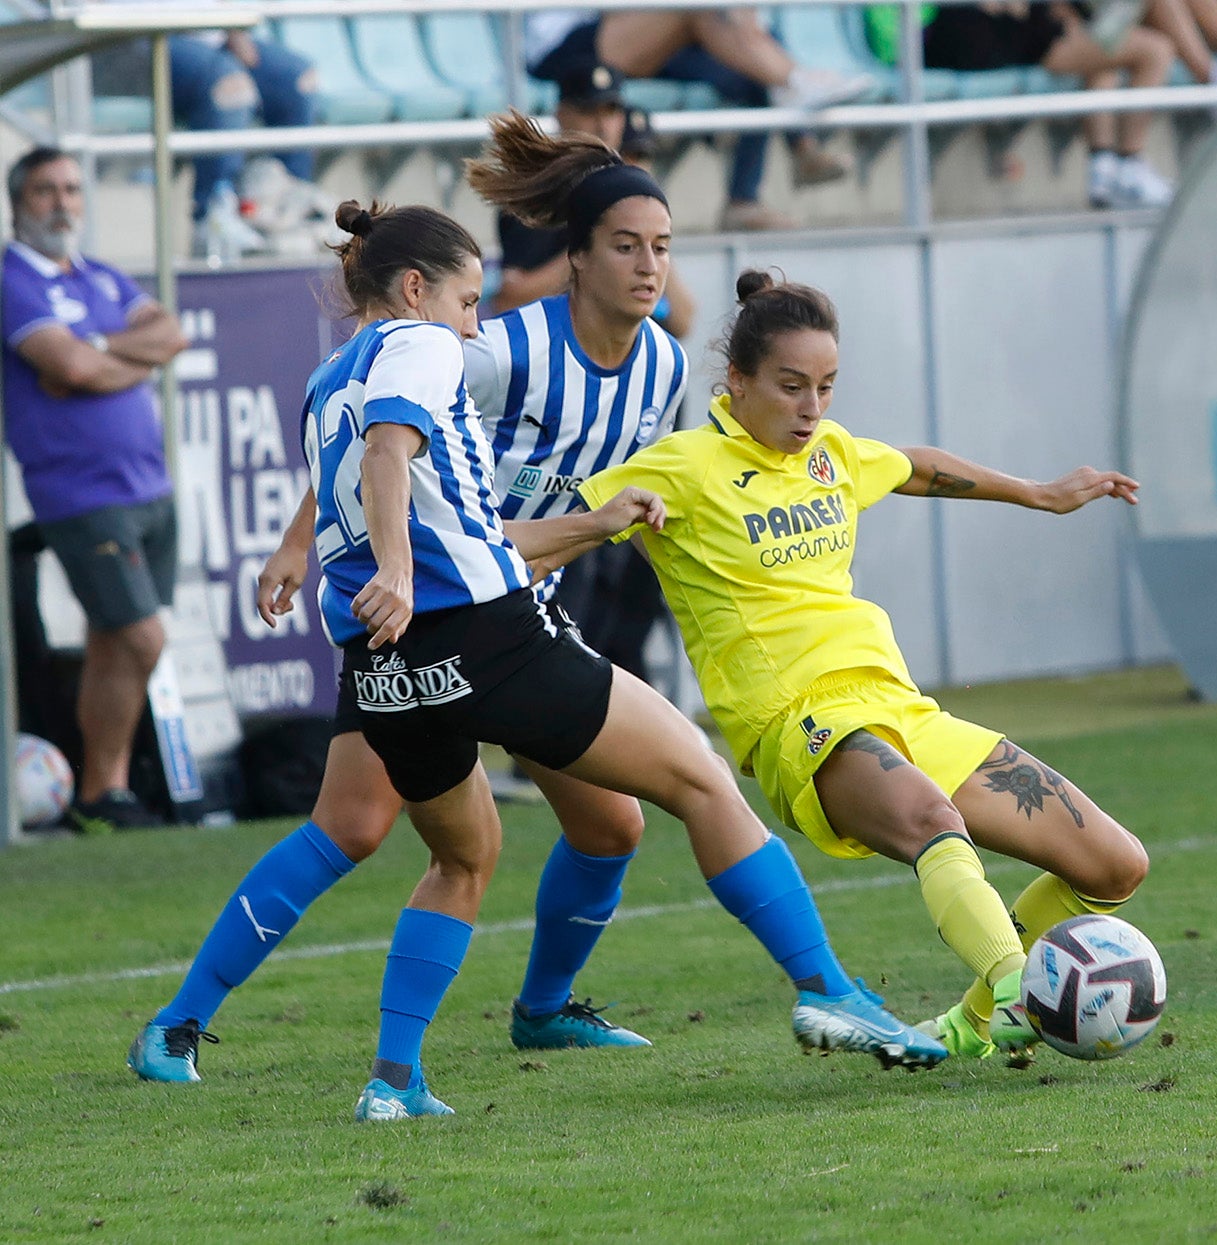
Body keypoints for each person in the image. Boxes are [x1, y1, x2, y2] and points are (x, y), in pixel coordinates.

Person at [127, 166, 947, 1117]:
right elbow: (397, 448)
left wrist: (322, 546)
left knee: (508, 841)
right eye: (627, 244)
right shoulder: (453, 347)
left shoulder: (341, 380)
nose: (649, 266)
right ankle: (829, 989)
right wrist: (387, 558)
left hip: (395, 642)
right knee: (700, 779)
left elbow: (408, 474)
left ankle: (393, 1064)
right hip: (486, 620)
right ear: (575, 259)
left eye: (662, 245)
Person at [578, 270, 1151, 1063]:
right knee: (932, 824)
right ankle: (1022, 990)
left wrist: (1036, 493)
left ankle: (974, 1019)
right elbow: (567, 526)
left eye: (825, 387)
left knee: (1116, 865)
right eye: (790, 386)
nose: (811, 408)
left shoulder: (831, 454)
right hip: (799, 721)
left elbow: (911, 465)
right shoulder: (682, 467)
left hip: (898, 705)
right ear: (737, 381)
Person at [2, 148, 188, 832]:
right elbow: (67, 366)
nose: (63, 202)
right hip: (81, 493)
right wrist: (114, 358)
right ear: (19, 202)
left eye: (73, 189)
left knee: (115, 640)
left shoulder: (100, 275)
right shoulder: (12, 278)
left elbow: (168, 334)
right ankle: (97, 785)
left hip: (147, 483)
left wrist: (102, 353)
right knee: (142, 638)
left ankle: (103, 791)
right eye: (47, 190)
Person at [526, 8, 872, 231]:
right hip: (565, 45)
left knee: (748, 44)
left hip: (630, 32)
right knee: (701, 11)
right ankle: (797, 99)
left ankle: (744, 199)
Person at [90, 0, 323, 256]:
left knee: (299, 79)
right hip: (131, 37)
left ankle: (285, 208)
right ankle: (213, 214)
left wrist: (233, 27)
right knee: (230, 84)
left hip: (209, 32)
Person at [490, 59, 695, 340]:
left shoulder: (633, 199)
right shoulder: (541, 191)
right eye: (588, 111)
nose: (602, 125)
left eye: (611, 111)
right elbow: (509, 301)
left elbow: (683, 323)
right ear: (561, 114)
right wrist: (589, 246)